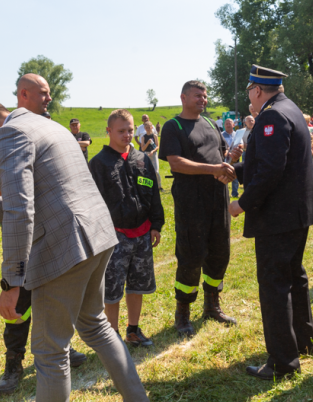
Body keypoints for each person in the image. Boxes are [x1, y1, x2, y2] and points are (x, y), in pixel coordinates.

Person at [0, 74, 149, 402]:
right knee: (96, 327)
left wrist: (11, 282)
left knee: (50, 352)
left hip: (65, 247)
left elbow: (21, 210)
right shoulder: (48, 126)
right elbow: (49, 189)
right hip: (97, 235)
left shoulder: (8, 134)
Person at [227, 65, 313, 381]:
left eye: (249, 93)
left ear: (256, 90)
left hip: (278, 217)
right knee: (295, 277)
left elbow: (270, 170)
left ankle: (283, 362)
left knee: (275, 286)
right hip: (294, 213)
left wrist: (241, 203)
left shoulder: (271, 116)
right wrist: (237, 171)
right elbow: (273, 163)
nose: (249, 99)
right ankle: (301, 343)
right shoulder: (290, 108)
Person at [0, 132, 86, 395]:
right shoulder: (2, 144)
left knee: (56, 298)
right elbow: (1, 189)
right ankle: (13, 364)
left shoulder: (45, 139)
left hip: (54, 235)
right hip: (27, 238)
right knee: (19, 305)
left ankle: (62, 347)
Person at [159, 80, 238, 336]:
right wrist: (213, 169)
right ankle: (182, 313)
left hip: (217, 197)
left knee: (219, 253)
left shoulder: (210, 124)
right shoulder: (174, 126)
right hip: (191, 201)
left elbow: (218, 157)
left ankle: (212, 305)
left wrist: (229, 160)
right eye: (197, 95)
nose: (203, 99)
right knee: (191, 256)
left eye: (205, 96)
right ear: (183, 97)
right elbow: (176, 163)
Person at [89, 109, 164, 347]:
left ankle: (133, 330)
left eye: (130, 130)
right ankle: (112, 337)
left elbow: (153, 194)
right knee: (112, 290)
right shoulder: (99, 163)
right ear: (109, 131)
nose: (127, 135)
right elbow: (92, 203)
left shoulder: (142, 159)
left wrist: (156, 224)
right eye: (121, 131)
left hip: (142, 233)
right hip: (115, 237)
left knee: (137, 285)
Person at [221, 118, 241, 198]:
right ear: (224, 125)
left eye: (230, 123)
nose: (228, 125)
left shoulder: (237, 135)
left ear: (233, 125)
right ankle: (224, 193)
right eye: (227, 124)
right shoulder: (221, 135)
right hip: (224, 158)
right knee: (223, 175)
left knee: (235, 175)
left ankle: (234, 193)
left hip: (235, 158)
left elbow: (241, 144)